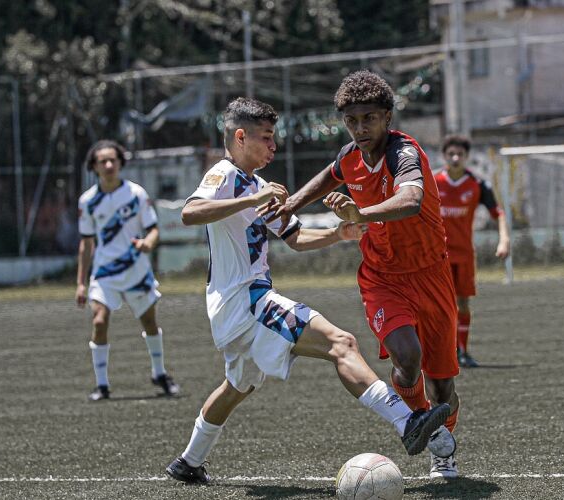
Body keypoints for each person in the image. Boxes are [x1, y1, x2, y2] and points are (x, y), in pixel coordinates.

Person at [165, 97, 451, 484]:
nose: (273, 146)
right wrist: (251, 200)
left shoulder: (260, 185)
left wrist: (339, 233)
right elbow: (190, 212)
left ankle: (188, 462)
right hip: (246, 299)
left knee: (238, 385)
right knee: (342, 343)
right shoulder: (225, 174)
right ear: (240, 136)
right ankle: (408, 422)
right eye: (266, 138)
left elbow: (296, 237)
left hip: (239, 304)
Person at [273, 70, 461, 478]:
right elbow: (328, 176)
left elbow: (410, 199)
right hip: (382, 276)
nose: (360, 128)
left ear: (387, 117)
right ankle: (423, 429)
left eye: (369, 119)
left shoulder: (404, 153)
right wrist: (293, 204)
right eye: (352, 121)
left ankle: (443, 447)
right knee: (407, 358)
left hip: (431, 274)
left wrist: (361, 214)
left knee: (442, 381)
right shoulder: (349, 156)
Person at [76, 140, 180, 401]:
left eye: (114, 160)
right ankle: (102, 385)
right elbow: (86, 243)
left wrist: (148, 242)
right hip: (104, 273)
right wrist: (80, 283)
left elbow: (153, 228)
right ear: (94, 166)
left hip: (136, 270)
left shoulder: (136, 194)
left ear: (121, 162)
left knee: (149, 323)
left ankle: (159, 373)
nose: (109, 165)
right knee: (99, 321)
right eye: (103, 161)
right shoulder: (88, 201)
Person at [434, 135, 510, 368]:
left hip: (464, 254)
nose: (455, 158)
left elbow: (498, 213)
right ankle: (439, 352)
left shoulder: (478, 185)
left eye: (460, 154)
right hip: (437, 256)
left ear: (466, 157)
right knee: (438, 306)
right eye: (451, 154)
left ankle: (462, 351)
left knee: (463, 304)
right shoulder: (433, 182)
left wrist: (504, 240)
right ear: (444, 156)